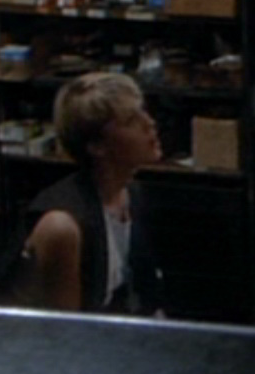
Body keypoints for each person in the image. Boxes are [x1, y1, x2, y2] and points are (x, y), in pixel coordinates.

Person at [22, 71, 165, 315]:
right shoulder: (62, 228)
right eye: (131, 120)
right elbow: (64, 329)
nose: (149, 124)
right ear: (97, 146)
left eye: (144, 112)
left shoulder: (130, 194)